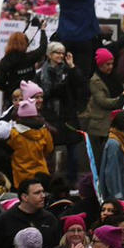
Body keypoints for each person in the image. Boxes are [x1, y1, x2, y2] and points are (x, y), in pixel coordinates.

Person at [39, 42, 87, 186]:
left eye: (62, 53)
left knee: (72, 150)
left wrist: (72, 66)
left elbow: (81, 84)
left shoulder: (68, 71)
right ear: (49, 55)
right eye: (56, 52)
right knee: (49, 150)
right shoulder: (41, 72)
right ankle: (49, 181)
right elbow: (42, 93)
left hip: (67, 115)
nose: (60, 55)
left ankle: (72, 181)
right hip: (50, 115)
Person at [0, 180, 60, 248]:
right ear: (25, 197)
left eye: (43, 191)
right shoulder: (5, 220)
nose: (43, 196)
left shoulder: (50, 219)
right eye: (37, 193)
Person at [81, 49, 124, 162]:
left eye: (112, 64)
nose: (110, 67)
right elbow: (103, 102)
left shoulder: (114, 78)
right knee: (101, 158)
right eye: (107, 64)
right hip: (100, 126)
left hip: (113, 124)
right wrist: (122, 96)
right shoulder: (95, 81)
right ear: (100, 64)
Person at [9, 100, 53, 189]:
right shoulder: (44, 131)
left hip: (21, 176)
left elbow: (9, 150)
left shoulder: (14, 134)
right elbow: (49, 149)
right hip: (41, 175)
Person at [99, 111, 124, 202]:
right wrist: (117, 197)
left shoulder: (123, 141)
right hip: (119, 197)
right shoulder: (114, 144)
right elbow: (112, 173)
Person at [0, 34, 44, 107]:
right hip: (31, 96)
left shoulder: (5, 61)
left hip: (13, 98)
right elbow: (42, 48)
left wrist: (9, 89)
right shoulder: (30, 57)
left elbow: (0, 81)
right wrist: (43, 31)